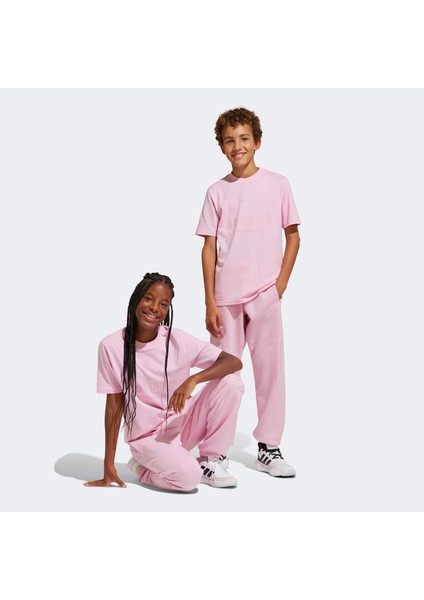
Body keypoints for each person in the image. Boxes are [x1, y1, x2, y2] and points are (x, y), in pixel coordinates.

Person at [195, 107, 301, 477]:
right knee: (223, 375)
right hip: (225, 299)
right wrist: (210, 300)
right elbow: (209, 248)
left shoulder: (278, 184)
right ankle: (213, 452)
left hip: (265, 295)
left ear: (257, 142)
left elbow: (293, 236)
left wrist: (280, 285)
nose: (237, 146)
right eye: (229, 140)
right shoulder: (216, 192)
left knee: (270, 372)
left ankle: (268, 447)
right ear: (221, 147)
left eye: (243, 138)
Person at [84, 272, 243, 492]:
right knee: (189, 479)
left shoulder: (177, 339)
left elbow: (233, 362)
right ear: (136, 299)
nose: (154, 308)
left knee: (232, 383)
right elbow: (114, 406)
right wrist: (108, 465)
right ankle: (143, 469)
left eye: (163, 304)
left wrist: (194, 379)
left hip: (182, 422)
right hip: (148, 438)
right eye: (148, 298)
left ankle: (211, 460)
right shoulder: (111, 346)